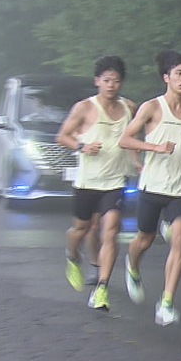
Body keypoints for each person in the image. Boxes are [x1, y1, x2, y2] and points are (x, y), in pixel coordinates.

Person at [117, 50, 181, 326]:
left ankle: (166, 303)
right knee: (145, 239)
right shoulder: (152, 107)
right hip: (152, 187)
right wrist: (154, 147)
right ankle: (132, 266)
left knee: (179, 241)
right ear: (166, 77)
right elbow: (125, 139)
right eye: (179, 73)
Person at [56, 56, 137, 311]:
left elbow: (134, 137)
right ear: (97, 81)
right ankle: (72, 255)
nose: (111, 85)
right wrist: (82, 146)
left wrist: (138, 160)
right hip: (87, 182)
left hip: (114, 181)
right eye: (106, 80)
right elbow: (62, 136)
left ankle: (102, 289)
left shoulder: (129, 108)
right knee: (80, 230)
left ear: (121, 83)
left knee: (110, 232)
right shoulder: (85, 108)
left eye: (116, 81)